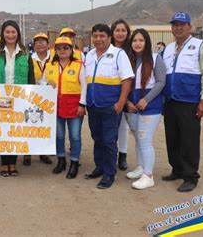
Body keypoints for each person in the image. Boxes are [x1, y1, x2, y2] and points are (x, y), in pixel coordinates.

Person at [161, 12, 203, 192]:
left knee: (189, 140)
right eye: (175, 24)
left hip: (190, 102)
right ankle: (177, 169)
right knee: (172, 138)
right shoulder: (167, 49)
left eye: (182, 24)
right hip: (170, 101)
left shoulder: (200, 46)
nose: (178, 27)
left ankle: (191, 176)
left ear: (189, 27)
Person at [83, 24, 134, 189]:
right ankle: (100, 166)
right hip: (93, 105)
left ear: (109, 37)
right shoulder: (89, 55)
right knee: (97, 138)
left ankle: (109, 173)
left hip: (110, 106)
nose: (98, 39)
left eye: (102, 36)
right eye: (95, 36)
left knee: (109, 140)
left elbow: (127, 80)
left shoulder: (119, 54)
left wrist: (120, 103)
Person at [0, 20, 35, 177]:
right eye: (7, 32)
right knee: (3, 131)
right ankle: (4, 163)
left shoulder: (26, 54)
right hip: (0, 98)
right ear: (3, 34)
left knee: (14, 131)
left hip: (19, 99)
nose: (10, 35)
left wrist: (31, 97)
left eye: (13, 32)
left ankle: (12, 162)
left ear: (18, 34)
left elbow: (31, 77)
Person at [124, 29, 166, 190]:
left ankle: (148, 176)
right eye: (135, 40)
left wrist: (146, 100)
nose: (137, 43)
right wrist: (127, 101)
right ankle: (140, 167)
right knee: (138, 138)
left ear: (147, 42)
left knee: (145, 139)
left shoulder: (156, 58)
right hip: (132, 106)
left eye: (141, 40)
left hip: (150, 106)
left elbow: (161, 82)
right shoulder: (129, 60)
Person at [40, 37, 86, 178]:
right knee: (59, 135)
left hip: (74, 106)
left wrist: (82, 104)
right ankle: (61, 160)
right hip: (56, 106)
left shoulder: (78, 65)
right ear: (55, 50)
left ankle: (74, 162)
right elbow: (41, 80)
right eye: (59, 48)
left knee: (74, 136)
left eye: (66, 47)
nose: (62, 50)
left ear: (71, 49)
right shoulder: (50, 65)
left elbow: (85, 85)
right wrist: (46, 84)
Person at [23, 33, 53, 166]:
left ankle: (43, 151)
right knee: (28, 123)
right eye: (37, 42)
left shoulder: (54, 58)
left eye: (43, 41)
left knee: (44, 124)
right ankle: (27, 153)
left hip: (48, 97)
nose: (40, 44)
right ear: (33, 45)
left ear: (48, 44)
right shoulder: (29, 59)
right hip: (31, 96)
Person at [111, 19, 132, 171]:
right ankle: (111, 154)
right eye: (117, 30)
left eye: (123, 30)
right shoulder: (107, 49)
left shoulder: (132, 49)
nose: (120, 33)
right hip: (112, 93)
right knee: (112, 127)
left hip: (129, 92)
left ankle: (122, 155)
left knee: (124, 126)